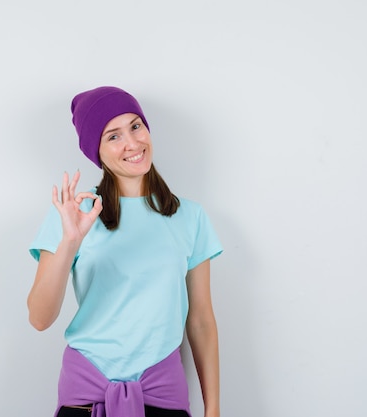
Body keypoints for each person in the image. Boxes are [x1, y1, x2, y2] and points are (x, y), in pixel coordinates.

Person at [27, 86, 223, 417]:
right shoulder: (74, 212)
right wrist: (69, 243)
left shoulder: (190, 217)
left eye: (135, 126)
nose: (132, 144)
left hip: (163, 394)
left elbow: (201, 320)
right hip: (85, 396)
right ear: (97, 152)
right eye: (113, 136)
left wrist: (213, 409)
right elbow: (40, 318)